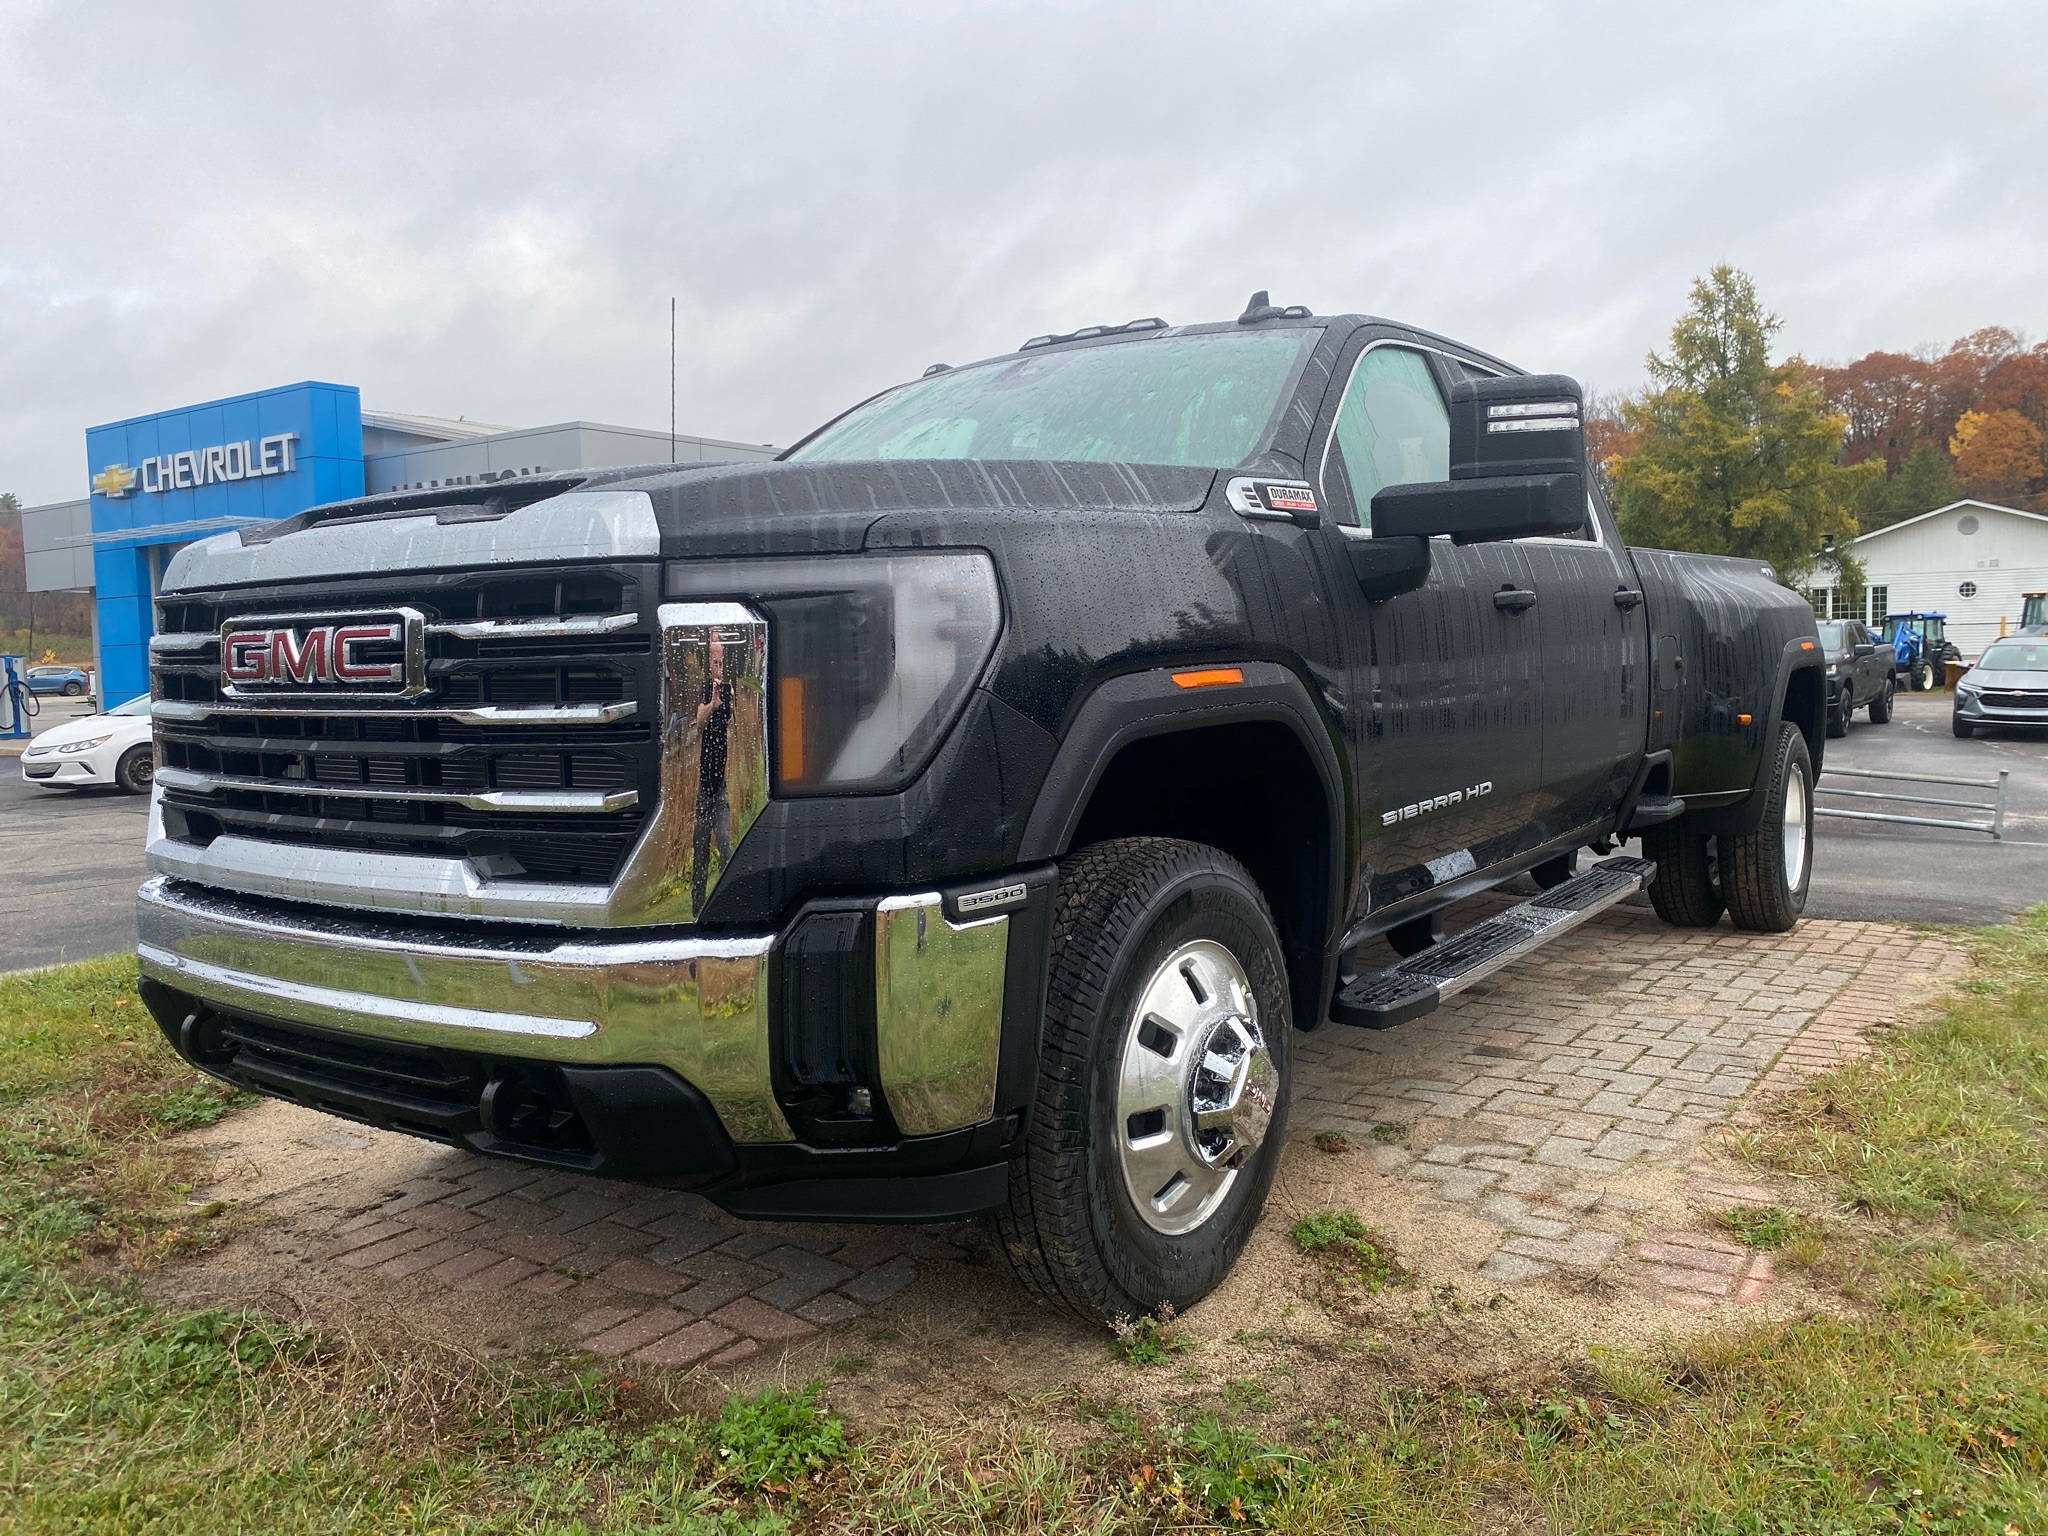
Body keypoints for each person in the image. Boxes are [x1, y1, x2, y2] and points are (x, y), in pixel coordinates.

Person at [690, 632, 734, 914]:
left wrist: (728, 705)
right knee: (701, 848)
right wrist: (713, 704)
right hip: (704, 787)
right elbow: (698, 723)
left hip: (721, 786)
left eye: (720, 661)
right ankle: (697, 907)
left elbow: (732, 727)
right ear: (708, 663)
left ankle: (726, 902)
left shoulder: (727, 689)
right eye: (713, 662)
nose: (717, 667)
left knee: (727, 847)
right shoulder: (705, 689)